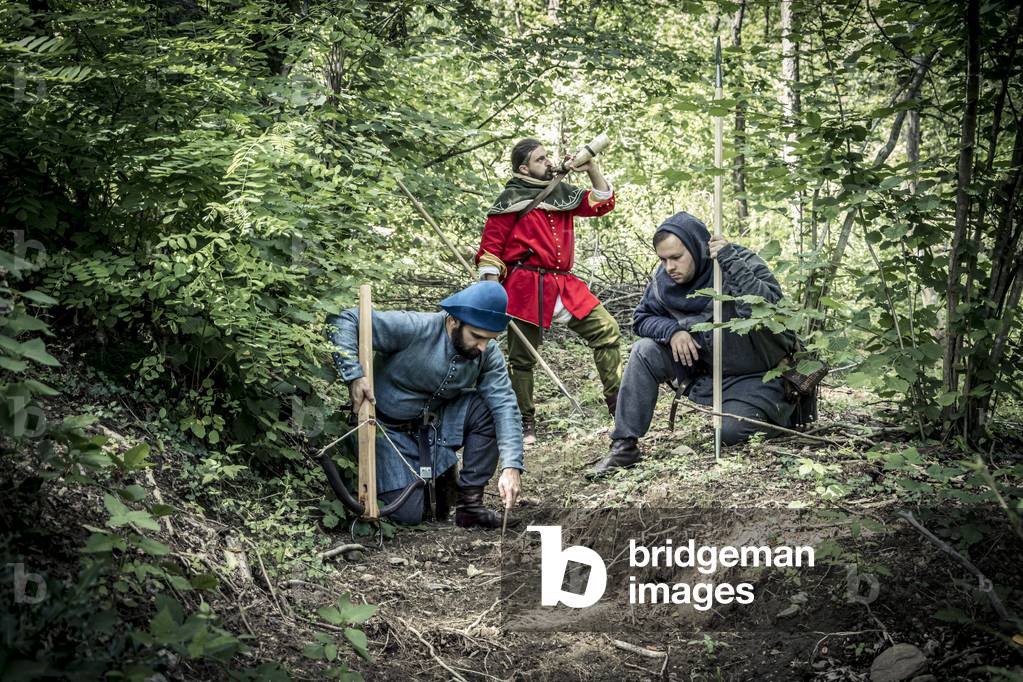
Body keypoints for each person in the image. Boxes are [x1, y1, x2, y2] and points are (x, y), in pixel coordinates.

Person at [591, 212, 812, 476]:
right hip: (709, 373)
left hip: (760, 376)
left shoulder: (738, 260)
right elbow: (641, 318)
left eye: (676, 257)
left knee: (731, 432)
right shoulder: (664, 281)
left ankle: (785, 413)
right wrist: (672, 331)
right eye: (663, 259)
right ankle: (624, 446)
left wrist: (730, 262)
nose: (669, 267)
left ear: (697, 248)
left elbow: (771, 312)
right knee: (644, 350)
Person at [325, 281, 523, 528]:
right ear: (453, 321)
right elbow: (343, 320)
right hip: (386, 429)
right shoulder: (414, 327)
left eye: (489, 339)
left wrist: (512, 466)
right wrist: (354, 375)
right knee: (406, 515)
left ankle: (470, 506)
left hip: (435, 427)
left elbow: (504, 405)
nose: (483, 347)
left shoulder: (487, 353)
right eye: (477, 337)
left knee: (487, 409)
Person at [476, 137, 623, 444]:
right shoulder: (510, 198)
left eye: (546, 157)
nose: (547, 162)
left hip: (564, 284)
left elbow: (602, 202)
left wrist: (591, 168)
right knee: (522, 359)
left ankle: (619, 407)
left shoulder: (561, 192)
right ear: (524, 167)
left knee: (606, 330)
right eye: (540, 159)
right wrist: (492, 296)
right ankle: (524, 423)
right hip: (524, 289)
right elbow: (490, 252)